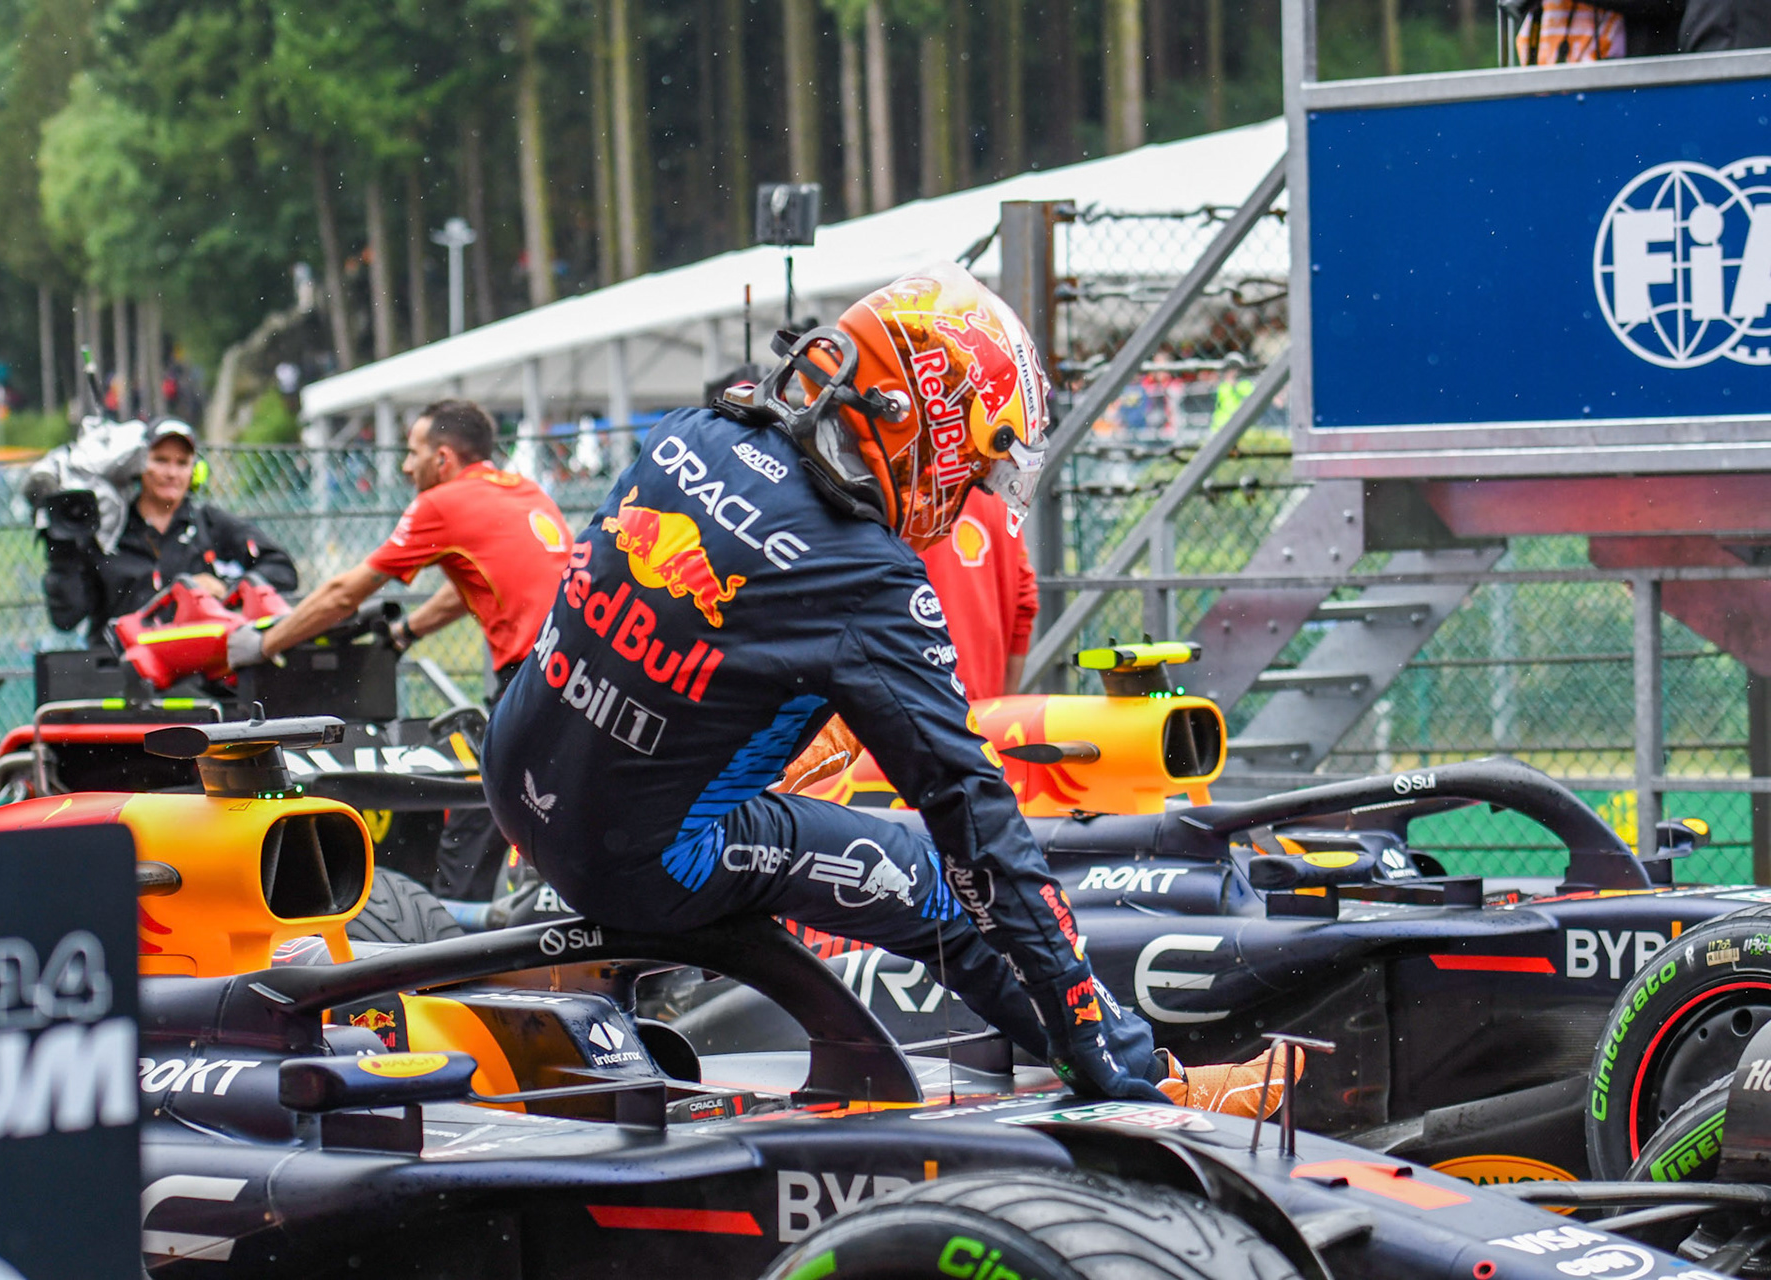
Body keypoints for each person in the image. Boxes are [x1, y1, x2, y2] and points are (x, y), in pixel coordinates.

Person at [484, 263, 1295, 1111]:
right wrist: (1075, 1000)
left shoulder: (694, 434)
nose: (963, 495)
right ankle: (1137, 1079)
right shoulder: (865, 578)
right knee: (946, 883)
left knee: (817, 772)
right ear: (922, 422)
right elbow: (974, 821)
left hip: (515, 778)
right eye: (972, 467)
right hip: (640, 857)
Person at [235, 399, 572, 897]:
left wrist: (263, 643)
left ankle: (456, 947)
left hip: (531, 677)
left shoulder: (442, 503)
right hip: (577, 668)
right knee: (515, 806)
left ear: (443, 459)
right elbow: (478, 583)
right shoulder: (524, 490)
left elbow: (344, 593)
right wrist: (406, 632)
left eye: (412, 453)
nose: (404, 466)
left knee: (481, 805)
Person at [43, 419, 298, 635]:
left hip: (198, 671)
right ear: (139, 465)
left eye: (182, 463)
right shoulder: (108, 532)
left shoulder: (210, 524)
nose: (171, 473)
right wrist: (60, 545)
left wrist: (227, 588)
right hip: (121, 675)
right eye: (161, 460)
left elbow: (283, 571)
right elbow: (66, 618)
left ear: (195, 471)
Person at [919, 486, 1038, 701]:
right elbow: (1025, 603)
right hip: (980, 706)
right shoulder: (998, 491)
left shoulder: (898, 491)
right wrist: (1002, 706)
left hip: (912, 706)